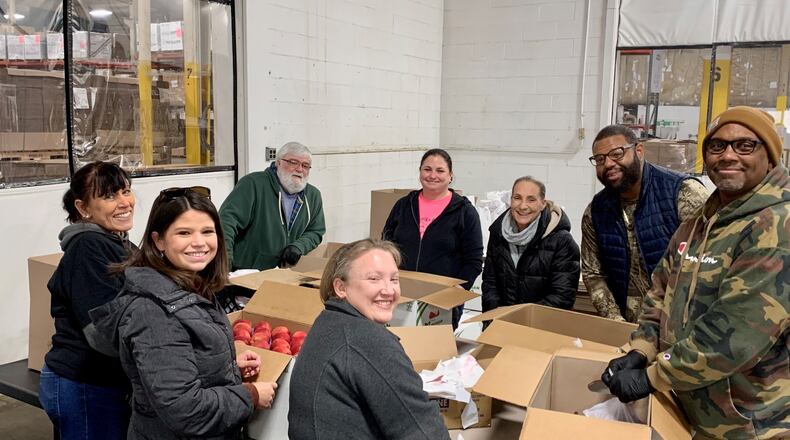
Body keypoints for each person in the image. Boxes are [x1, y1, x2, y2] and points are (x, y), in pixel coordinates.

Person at [601, 107, 789, 439]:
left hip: (751, 424)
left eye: (744, 145)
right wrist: (641, 349)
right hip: (696, 412)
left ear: (770, 156)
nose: (728, 155)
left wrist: (653, 376)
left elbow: (735, 333)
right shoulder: (701, 221)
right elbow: (660, 291)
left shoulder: (777, 227)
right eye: (717, 146)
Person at [90, 186, 278, 440]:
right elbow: (186, 410)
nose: (199, 242)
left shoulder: (192, 287)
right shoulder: (154, 311)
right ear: (158, 241)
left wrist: (227, 368)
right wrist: (250, 395)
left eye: (207, 231)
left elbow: (176, 364)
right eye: (184, 233)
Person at [288, 239, 450, 440]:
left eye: (394, 279)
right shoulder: (368, 340)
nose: (389, 290)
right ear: (340, 287)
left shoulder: (327, 322)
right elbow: (423, 430)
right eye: (374, 279)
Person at [38, 161, 136, 440]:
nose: (124, 202)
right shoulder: (87, 247)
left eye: (126, 191)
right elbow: (103, 332)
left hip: (100, 382)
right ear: (83, 208)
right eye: (109, 196)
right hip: (85, 384)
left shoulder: (116, 242)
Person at [581, 125, 708, 322]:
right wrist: (615, 320)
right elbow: (593, 273)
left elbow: (709, 265)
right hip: (626, 327)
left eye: (617, 154)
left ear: (639, 150)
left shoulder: (683, 193)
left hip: (680, 325)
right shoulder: (596, 211)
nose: (608, 163)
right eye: (600, 159)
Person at [382, 148, 483, 328]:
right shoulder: (403, 205)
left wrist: (459, 290)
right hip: (401, 294)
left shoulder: (464, 212)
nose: (432, 175)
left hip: (442, 300)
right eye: (427, 169)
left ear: (450, 176)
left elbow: (473, 259)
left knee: (433, 344)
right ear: (420, 171)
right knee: (395, 342)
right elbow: (386, 245)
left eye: (440, 170)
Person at [220, 141, 325, 270]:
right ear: (278, 162)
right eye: (293, 162)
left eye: (305, 165)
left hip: (283, 273)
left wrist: (299, 246)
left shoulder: (313, 195)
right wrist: (224, 264)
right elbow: (226, 223)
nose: (299, 169)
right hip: (245, 271)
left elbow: (316, 231)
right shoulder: (253, 184)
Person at [482, 176, 580, 312]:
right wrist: (493, 316)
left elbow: (562, 296)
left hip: (540, 322)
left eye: (531, 200)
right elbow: (490, 283)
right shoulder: (498, 234)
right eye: (517, 198)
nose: (523, 206)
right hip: (500, 320)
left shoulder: (562, 241)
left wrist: (522, 318)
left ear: (543, 204)